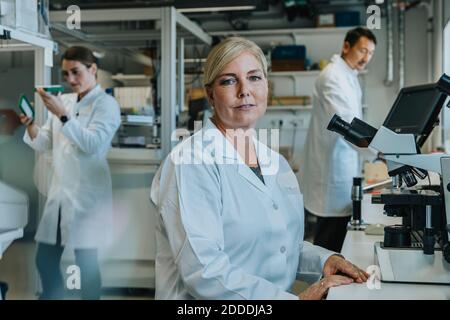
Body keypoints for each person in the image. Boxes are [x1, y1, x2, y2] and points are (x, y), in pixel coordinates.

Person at [150, 37, 368, 300]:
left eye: (254, 78)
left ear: (267, 85)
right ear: (210, 94)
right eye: (229, 80)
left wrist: (325, 260)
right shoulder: (191, 163)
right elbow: (205, 271)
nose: (245, 90)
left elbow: (283, 245)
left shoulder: (275, 162)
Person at [20, 46, 121, 299]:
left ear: (92, 69)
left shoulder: (106, 104)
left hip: (87, 198)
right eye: (66, 74)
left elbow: (93, 144)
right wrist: (31, 123)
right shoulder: (64, 101)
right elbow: (43, 142)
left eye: (76, 72)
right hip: (60, 196)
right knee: (44, 260)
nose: (70, 80)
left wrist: (63, 116)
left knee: (85, 264)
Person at [299, 27, 377, 252]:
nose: (366, 57)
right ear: (346, 47)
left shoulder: (348, 75)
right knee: (328, 243)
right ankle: (323, 286)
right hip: (331, 173)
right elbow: (346, 123)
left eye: (370, 53)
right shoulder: (333, 76)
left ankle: (329, 283)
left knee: (336, 239)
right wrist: (379, 151)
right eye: (362, 50)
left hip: (343, 166)